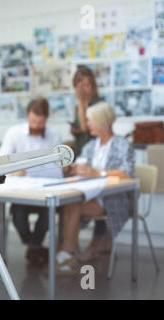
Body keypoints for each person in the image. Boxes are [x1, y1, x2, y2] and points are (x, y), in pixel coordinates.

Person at [54, 102, 135, 275]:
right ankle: (67, 254)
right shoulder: (91, 146)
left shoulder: (122, 145)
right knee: (70, 203)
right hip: (90, 196)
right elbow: (81, 167)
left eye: (90, 121)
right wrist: (72, 169)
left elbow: (127, 173)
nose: (88, 124)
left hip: (113, 199)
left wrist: (97, 172)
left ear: (102, 122)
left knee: (72, 204)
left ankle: (67, 254)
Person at [0, 97, 62, 266]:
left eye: (40, 123)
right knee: (18, 216)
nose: (36, 126)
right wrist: (14, 170)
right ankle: (35, 247)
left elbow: (57, 166)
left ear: (46, 119)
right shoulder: (14, 133)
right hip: (22, 190)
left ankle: (34, 248)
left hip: (45, 190)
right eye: (34, 121)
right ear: (27, 116)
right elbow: (1, 161)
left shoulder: (54, 135)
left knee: (48, 212)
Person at [70, 65, 111, 260]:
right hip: (83, 151)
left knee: (98, 192)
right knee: (80, 194)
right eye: (80, 85)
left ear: (92, 85)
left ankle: (99, 241)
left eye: (87, 85)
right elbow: (80, 127)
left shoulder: (98, 103)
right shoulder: (78, 104)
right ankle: (69, 248)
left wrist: (81, 103)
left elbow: (86, 126)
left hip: (99, 154)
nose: (83, 89)